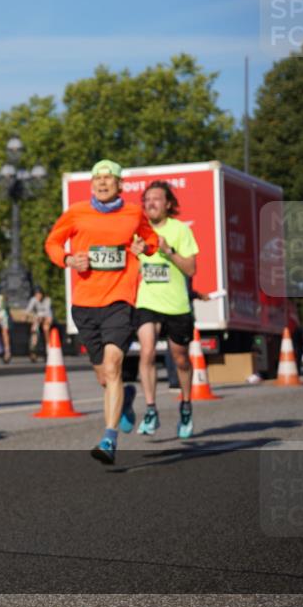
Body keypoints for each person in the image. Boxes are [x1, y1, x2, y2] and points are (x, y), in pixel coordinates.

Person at [45, 159, 157, 465]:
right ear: (92, 184)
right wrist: (69, 260)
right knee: (104, 376)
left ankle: (109, 439)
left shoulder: (133, 213)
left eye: (109, 178)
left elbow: (151, 239)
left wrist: (144, 249)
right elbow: (52, 243)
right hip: (85, 304)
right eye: (97, 178)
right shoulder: (76, 212)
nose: (102, 183)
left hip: (120, 300)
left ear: (120, 185)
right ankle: (125, 399)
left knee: (112, 366)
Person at [133, 181, 199, 439]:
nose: (151, 203)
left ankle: (186, 405)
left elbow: (190, 269)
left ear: (168, 204)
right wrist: (133, 253)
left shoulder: (180, 230)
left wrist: (168, 251)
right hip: (147, 302)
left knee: (180, 359)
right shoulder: (138, 231)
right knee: (147, 351)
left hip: (176, 305)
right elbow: (130, 265)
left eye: (156, 198)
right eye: (147, 199)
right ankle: (150, 410)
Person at [24, 287, 53, 362]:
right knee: (34, 329)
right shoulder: (33, 300)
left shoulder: (47, 300)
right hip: (37, 319)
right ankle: (33, 348)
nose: (38, 296)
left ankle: (48, 348)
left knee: (46, 328)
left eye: (39, 294)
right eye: (36, 295)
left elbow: (48, 312)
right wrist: (26, 316)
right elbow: (28, 310)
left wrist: (42, 317)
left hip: (47, 318)